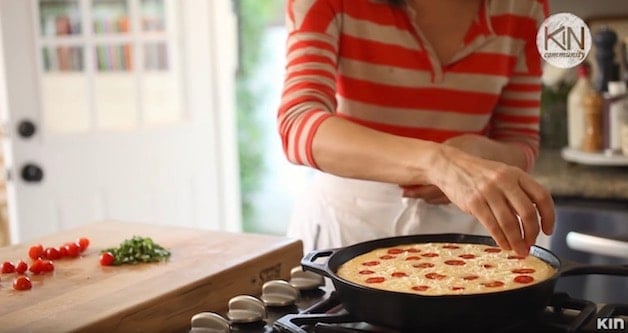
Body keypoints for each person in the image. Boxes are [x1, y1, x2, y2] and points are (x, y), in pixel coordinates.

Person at [277, 0, 555, 256]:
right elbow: (297, 122)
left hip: (470, 232)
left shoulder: (525, 7)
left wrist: (477, 153)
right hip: (346, 228)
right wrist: (437, 163)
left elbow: (521, 140)